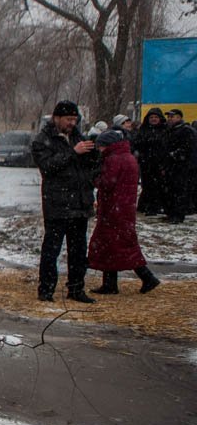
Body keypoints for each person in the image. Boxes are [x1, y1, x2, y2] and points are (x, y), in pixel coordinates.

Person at [31, 100, 100, 303]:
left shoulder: (78, 137)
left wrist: (93, 156)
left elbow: (92, 167)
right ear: (56, 118)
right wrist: (73, 153)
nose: (72, 123)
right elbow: (47, 167)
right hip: (57, 204)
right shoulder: (43, 140)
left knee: (79, 250)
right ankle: (46, 290)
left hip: (80, 203)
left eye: (74, 119)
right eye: (68, 119)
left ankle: (77, 289)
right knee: (52, 249)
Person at [87, 130, 161, 295]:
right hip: (124, 209)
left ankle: (146, 278)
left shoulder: (113, 159)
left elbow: (107, 183)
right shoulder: (128, 157)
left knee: (118, 246)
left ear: (107, 146)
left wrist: (94, 178)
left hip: (113, 210)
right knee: (116, 246)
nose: (99, 150)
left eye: (100, 146)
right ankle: (111, 284)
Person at [162, 108, 195, 224]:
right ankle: (171, 213)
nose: (170, 119)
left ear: (179, 118)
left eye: (172, 116)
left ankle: (178, 215)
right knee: (170, 190)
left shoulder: (186, 130)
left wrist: (175, 155)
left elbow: (188, 148)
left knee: (179, 191)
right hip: (171, 166)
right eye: (169, 117)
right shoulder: (170, 130)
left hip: (181, 166)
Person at [132, 107, 168, 215]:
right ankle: (148, 206)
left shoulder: (165, 130)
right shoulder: (143, 130)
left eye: (156, 117)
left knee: (160, 185)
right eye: (151, 117)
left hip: (160, 162)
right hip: (146, 162)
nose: (153, 119)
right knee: (147, 185)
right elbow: (137, 143)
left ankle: (158, 206)